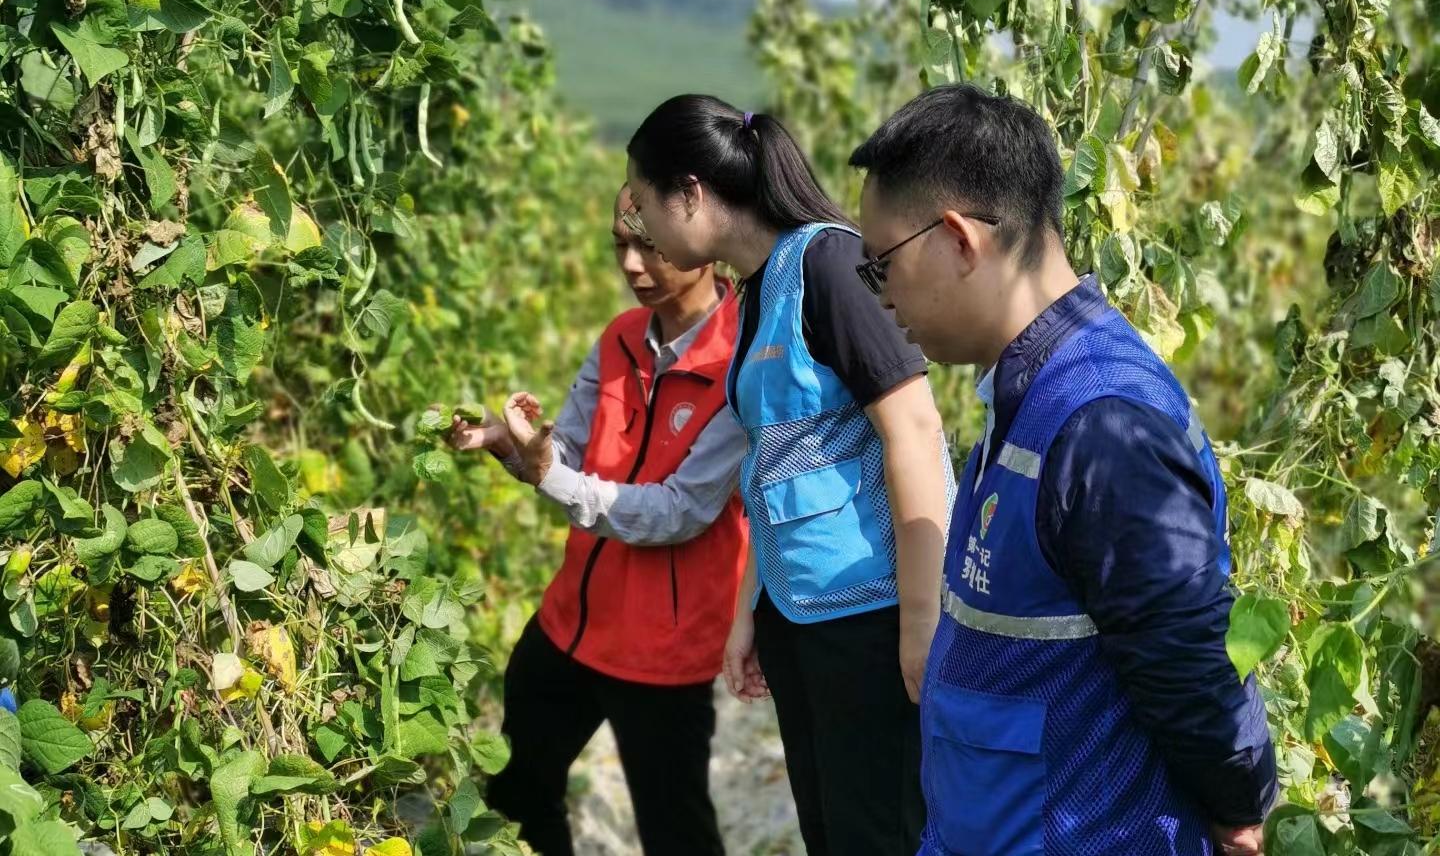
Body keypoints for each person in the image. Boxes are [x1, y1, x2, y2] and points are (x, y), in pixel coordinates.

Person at [848, 84, 1277, 856]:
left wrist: (1236, 801)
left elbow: (1184, 655)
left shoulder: (1102, 423)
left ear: (955, 240)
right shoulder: (1033, 392)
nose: (882, 300)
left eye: (881, 267)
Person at [624, 94, 955, 856]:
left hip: (869, 616)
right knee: (833, 830)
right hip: (803, 616)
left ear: (692, 193)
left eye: (645, 207)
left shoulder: (828, 262)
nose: (642, 232)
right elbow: (776, 466)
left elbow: (914, 429)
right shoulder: (759, 288)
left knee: (883, 831)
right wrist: (751, 609)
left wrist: (919, 619)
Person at [449, 185, 748, 856]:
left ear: (703, 245)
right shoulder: (619, 340)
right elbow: (570, 460)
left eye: (651, 247)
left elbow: (679, 511)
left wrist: (547, 471)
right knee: (518, 793)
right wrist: (512, 444)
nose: (633, 266)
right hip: (571, 622)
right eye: (622, 245)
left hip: (664, 654)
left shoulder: (739, 368)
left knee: (676, 835)